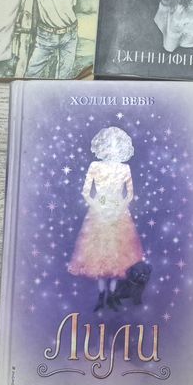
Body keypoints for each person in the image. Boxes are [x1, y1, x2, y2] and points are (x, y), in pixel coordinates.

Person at [67, 127, 144, 312]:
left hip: (119, 214)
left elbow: (129, 194)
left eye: (115, 145)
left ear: (121, 148)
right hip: (99, 214)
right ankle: (102, 296)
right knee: (100, 254)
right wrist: (98, 206)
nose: (112, 148)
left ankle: (113, 296)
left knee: (118, 255)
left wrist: (119, 207)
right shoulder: (95, 166)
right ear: (103, 147)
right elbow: (86, 192)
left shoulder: (125, 168)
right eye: (108, 145)